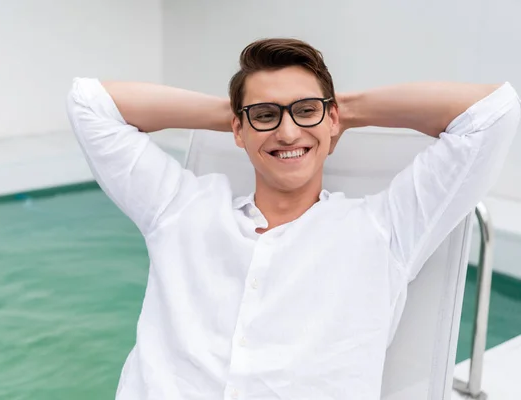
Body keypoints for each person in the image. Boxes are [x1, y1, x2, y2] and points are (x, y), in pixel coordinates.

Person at [66, 38, 520, 400]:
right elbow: (90, 103)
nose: (287, 132)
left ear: (333, 120)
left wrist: (345, 110)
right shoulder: (180, 208)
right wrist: (240, 114)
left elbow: (491, 113)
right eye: (266, 116)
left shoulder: (385, 230)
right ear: (237, 130)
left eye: (305, 111)